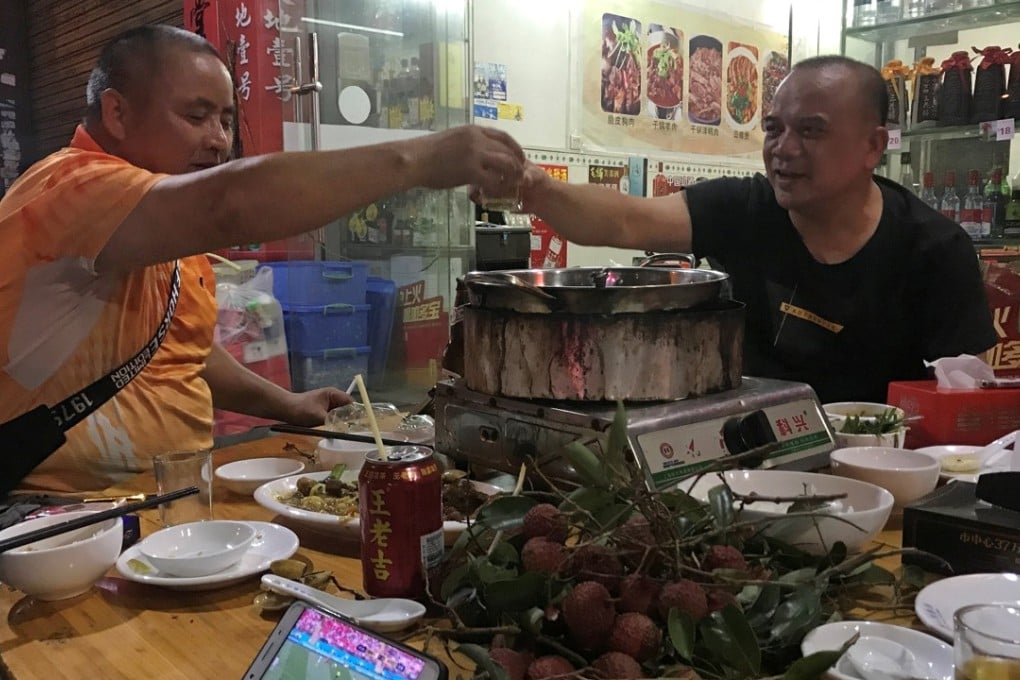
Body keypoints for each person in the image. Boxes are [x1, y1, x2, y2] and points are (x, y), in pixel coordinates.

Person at [0, 25, 525, 492]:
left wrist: (288, 405)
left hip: (171, 496)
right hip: (58, 517)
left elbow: (187, 350)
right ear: (117, 112)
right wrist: (418, 158)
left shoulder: (159, 228)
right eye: (196, 115)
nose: (218, 139)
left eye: (226, 120)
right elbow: (229, 203)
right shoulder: (70, 188)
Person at [519, 55, 996, 404]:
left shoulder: (934, 250)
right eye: (773, 128)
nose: (783, 149)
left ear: (873, 146)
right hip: (748, 460)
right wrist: (534, 187)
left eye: (810, 131)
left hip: (878, 474)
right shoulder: (745, 208)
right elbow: (625, 218)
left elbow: (962, 403)